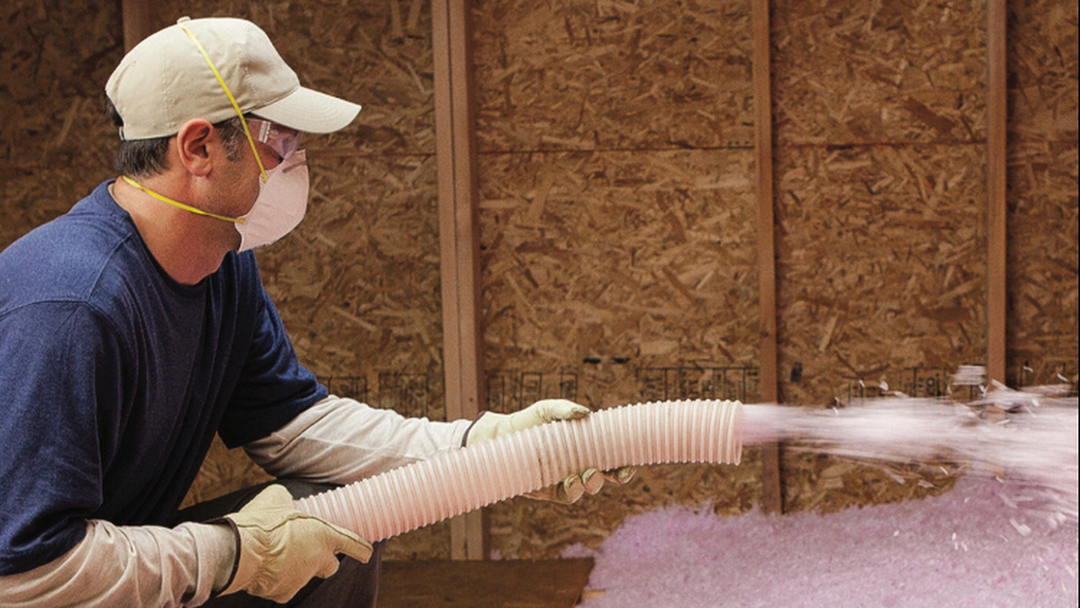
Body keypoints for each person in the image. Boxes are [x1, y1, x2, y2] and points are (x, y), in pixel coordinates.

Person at [0, 17, 631, 607]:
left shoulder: (222, 267)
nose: (294, 162)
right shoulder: (72, 306)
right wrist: (237, 553)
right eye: (280, 140)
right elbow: (24, 571)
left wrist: (484, 449)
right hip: (33, 579)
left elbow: (297, 427)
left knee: (340, 517)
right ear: (198, 148)